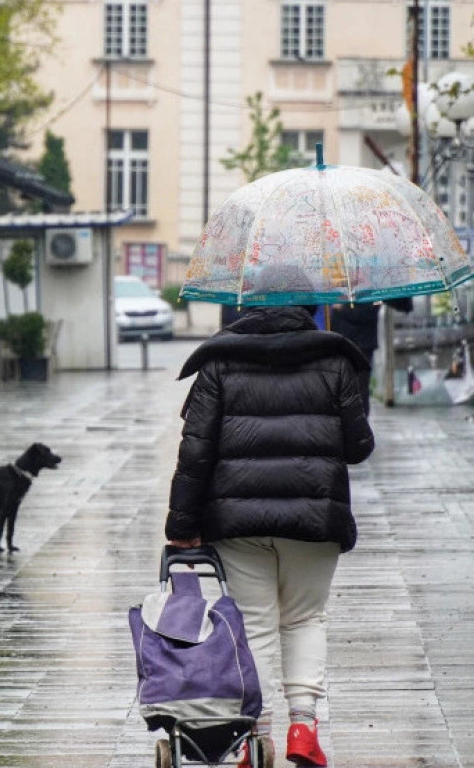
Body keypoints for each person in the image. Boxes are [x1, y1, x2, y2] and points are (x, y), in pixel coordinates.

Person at [165, 286, 374, 767]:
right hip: (315, 517)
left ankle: (254, 740)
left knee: (254, 624)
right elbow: (359, 446)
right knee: (304, 618)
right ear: (308, 307)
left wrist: (181, 524)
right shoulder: (335, 357)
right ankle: (304, 728)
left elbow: (195, 451)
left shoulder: (218, 360)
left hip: (238, 521)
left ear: (248, 305)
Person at [330, 297, 413, 416]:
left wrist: (342, 308)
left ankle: (358, 428)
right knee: (347, 389)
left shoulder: (370, 291)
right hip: (346, 342)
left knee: (357, 390)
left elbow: (368, 310)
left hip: (358, 344)